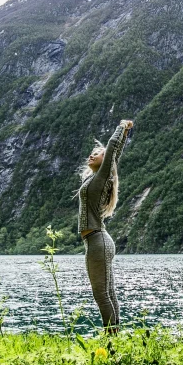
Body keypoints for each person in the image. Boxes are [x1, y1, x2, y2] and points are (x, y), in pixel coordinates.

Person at [76, 119, 133, 333]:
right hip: (99, 240)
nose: (91, 155)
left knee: (101, 293)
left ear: (104, 161)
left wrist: (122, 127)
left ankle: (111, 340)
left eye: (97, 154)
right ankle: (115, 338)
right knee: (108, 292)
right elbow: (114, 153)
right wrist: (125, 134)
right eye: (91, 153)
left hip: (98, 241)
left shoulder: (102, 177)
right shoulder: (95, 180)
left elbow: (113, 151)